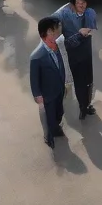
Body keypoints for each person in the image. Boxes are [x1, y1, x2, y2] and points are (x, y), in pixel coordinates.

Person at [55, 0, 99, 121]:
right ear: (73, 4)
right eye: (79, 2)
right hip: (74, 58)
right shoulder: (64, 15)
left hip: (87, 55)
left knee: (89, 82)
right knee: (80, 85)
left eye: (84, 2)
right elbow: (69, 43)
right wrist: (80, 34)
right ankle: (82, 109)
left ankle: (87, 104)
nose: (82, 5)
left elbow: (90, 27)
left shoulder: (88, 13)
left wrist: (86, 30)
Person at [30, 17, 67, 148]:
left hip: (59, 90)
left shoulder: (58, 46)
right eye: (57, 30)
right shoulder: (36, 56)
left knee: (59, 113)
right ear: (49, 33)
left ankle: (56, 128)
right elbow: (34, 79)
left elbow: (61, 67)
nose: (60, 33)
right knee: (49, 119)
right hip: (47, 96)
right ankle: (48, 137)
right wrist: (37, 95)